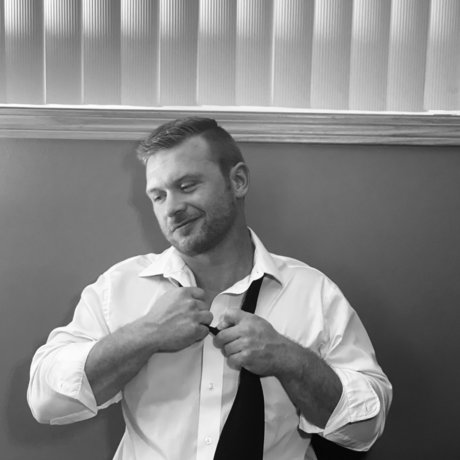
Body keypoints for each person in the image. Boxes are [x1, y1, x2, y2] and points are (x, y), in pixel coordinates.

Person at [28, 117, 392, 460]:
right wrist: (145, 335)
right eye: (158, 196)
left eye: (187, 186)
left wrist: (290, 360)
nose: (172, 208)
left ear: (238, 181)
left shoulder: (312, 293)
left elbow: (366, 427)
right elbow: (46, 401)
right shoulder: (119, 287)